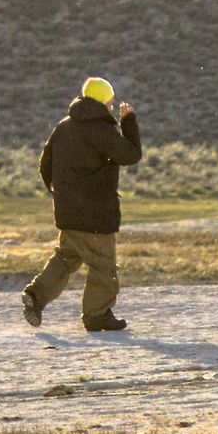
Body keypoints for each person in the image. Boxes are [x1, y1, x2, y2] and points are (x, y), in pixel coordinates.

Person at [22, 76, 142, 332]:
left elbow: (46, 162)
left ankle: (36, 295)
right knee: (102, 266)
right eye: (109, 100)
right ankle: (97, 315)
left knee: (66, 257)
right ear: (103, 100)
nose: (111, 104)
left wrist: (56, 189)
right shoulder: (101, 130)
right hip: (96, 215)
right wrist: (129, 121)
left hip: (69, 212)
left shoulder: (64, 126)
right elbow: (131, 155)